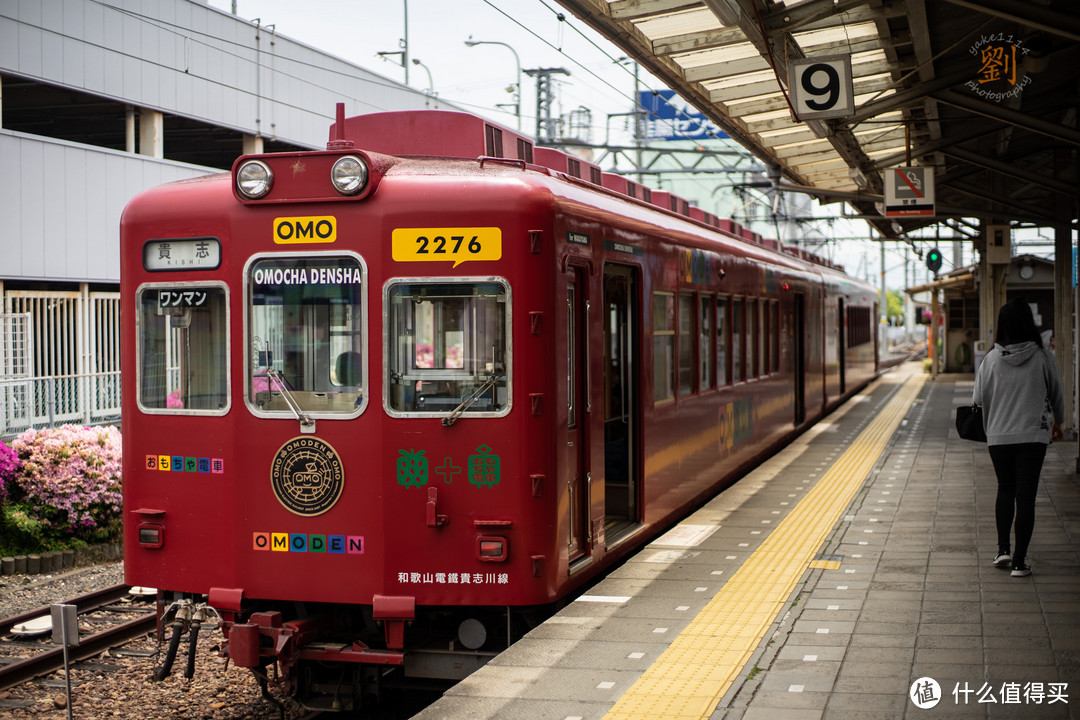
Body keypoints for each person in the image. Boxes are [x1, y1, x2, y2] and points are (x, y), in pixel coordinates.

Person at [973, 298, 1064, 577]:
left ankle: (1003, 549)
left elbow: (977, 399)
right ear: (1030, 323)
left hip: (998, 437)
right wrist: (1058, 423)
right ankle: (1020, 562)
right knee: (1026, 498)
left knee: (1005, 489)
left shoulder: (990, 360)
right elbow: (1057, 393)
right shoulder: (1042, 356)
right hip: (1032, 437)